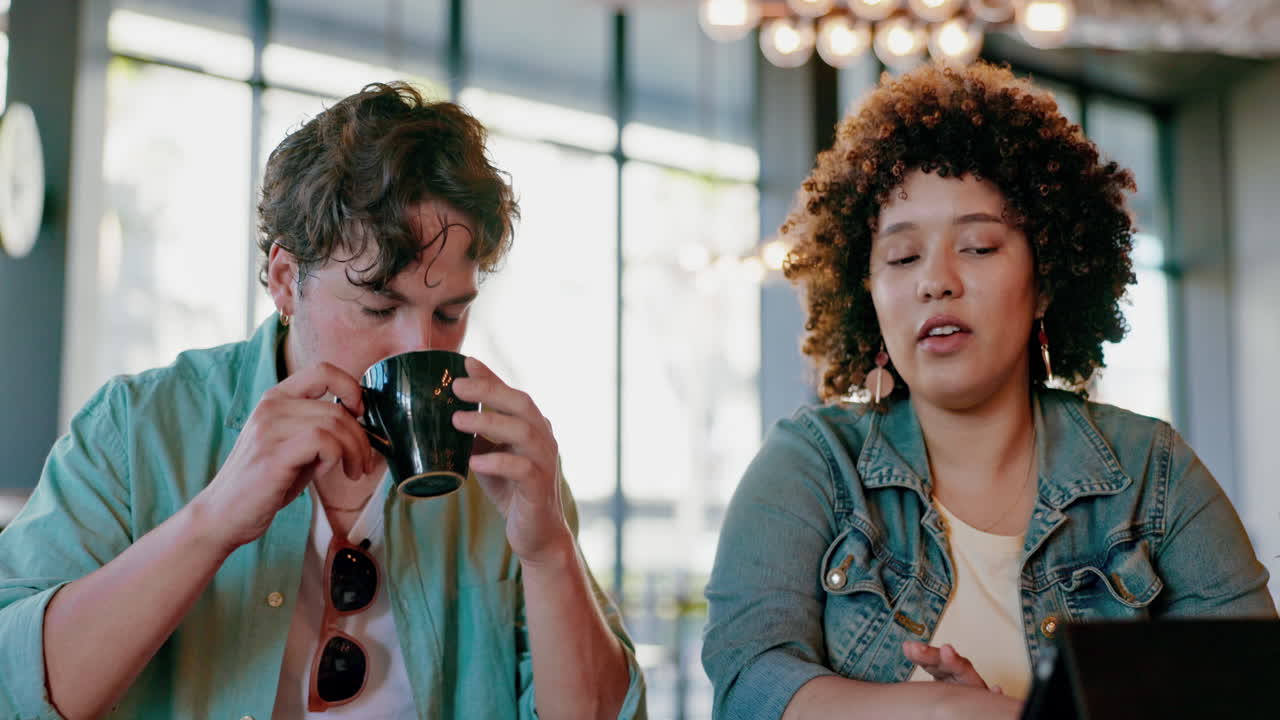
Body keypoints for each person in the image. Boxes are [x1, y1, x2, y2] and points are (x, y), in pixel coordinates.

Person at [0, 82, 646, 720]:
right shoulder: (139, 429)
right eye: (378, 307)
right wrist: (217, 518)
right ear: (286, 281)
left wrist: (548, 552)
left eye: (450, 312)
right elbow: (16, 689)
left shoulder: (502, 463)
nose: (418, 344)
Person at [701, 62, 1275, 720]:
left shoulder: (1154, 474)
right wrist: (945, 712)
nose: (936, 281)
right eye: (902, 256)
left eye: (977, 246)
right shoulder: (811, 465)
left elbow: (1255, 693)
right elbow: (748, 680)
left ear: (1048, 281)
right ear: (867, 297)